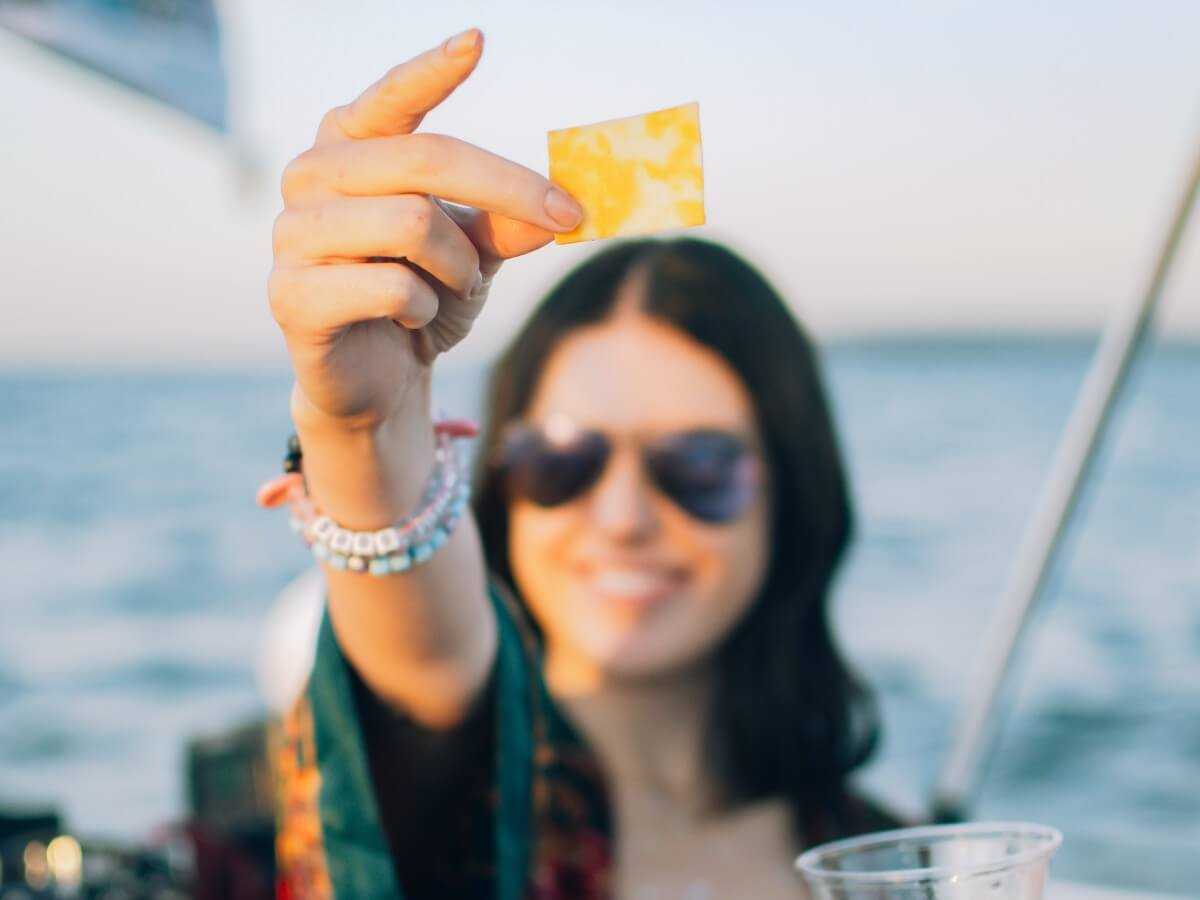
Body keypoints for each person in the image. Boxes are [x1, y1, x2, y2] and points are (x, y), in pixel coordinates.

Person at [266, 26, 902, 900]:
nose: (623, 515)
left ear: (793, 493)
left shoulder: (883, 858)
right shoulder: (458, 806)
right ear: (502, 485)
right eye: (562, 461)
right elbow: (423, 672)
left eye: (698, 467)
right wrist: (368, 431)